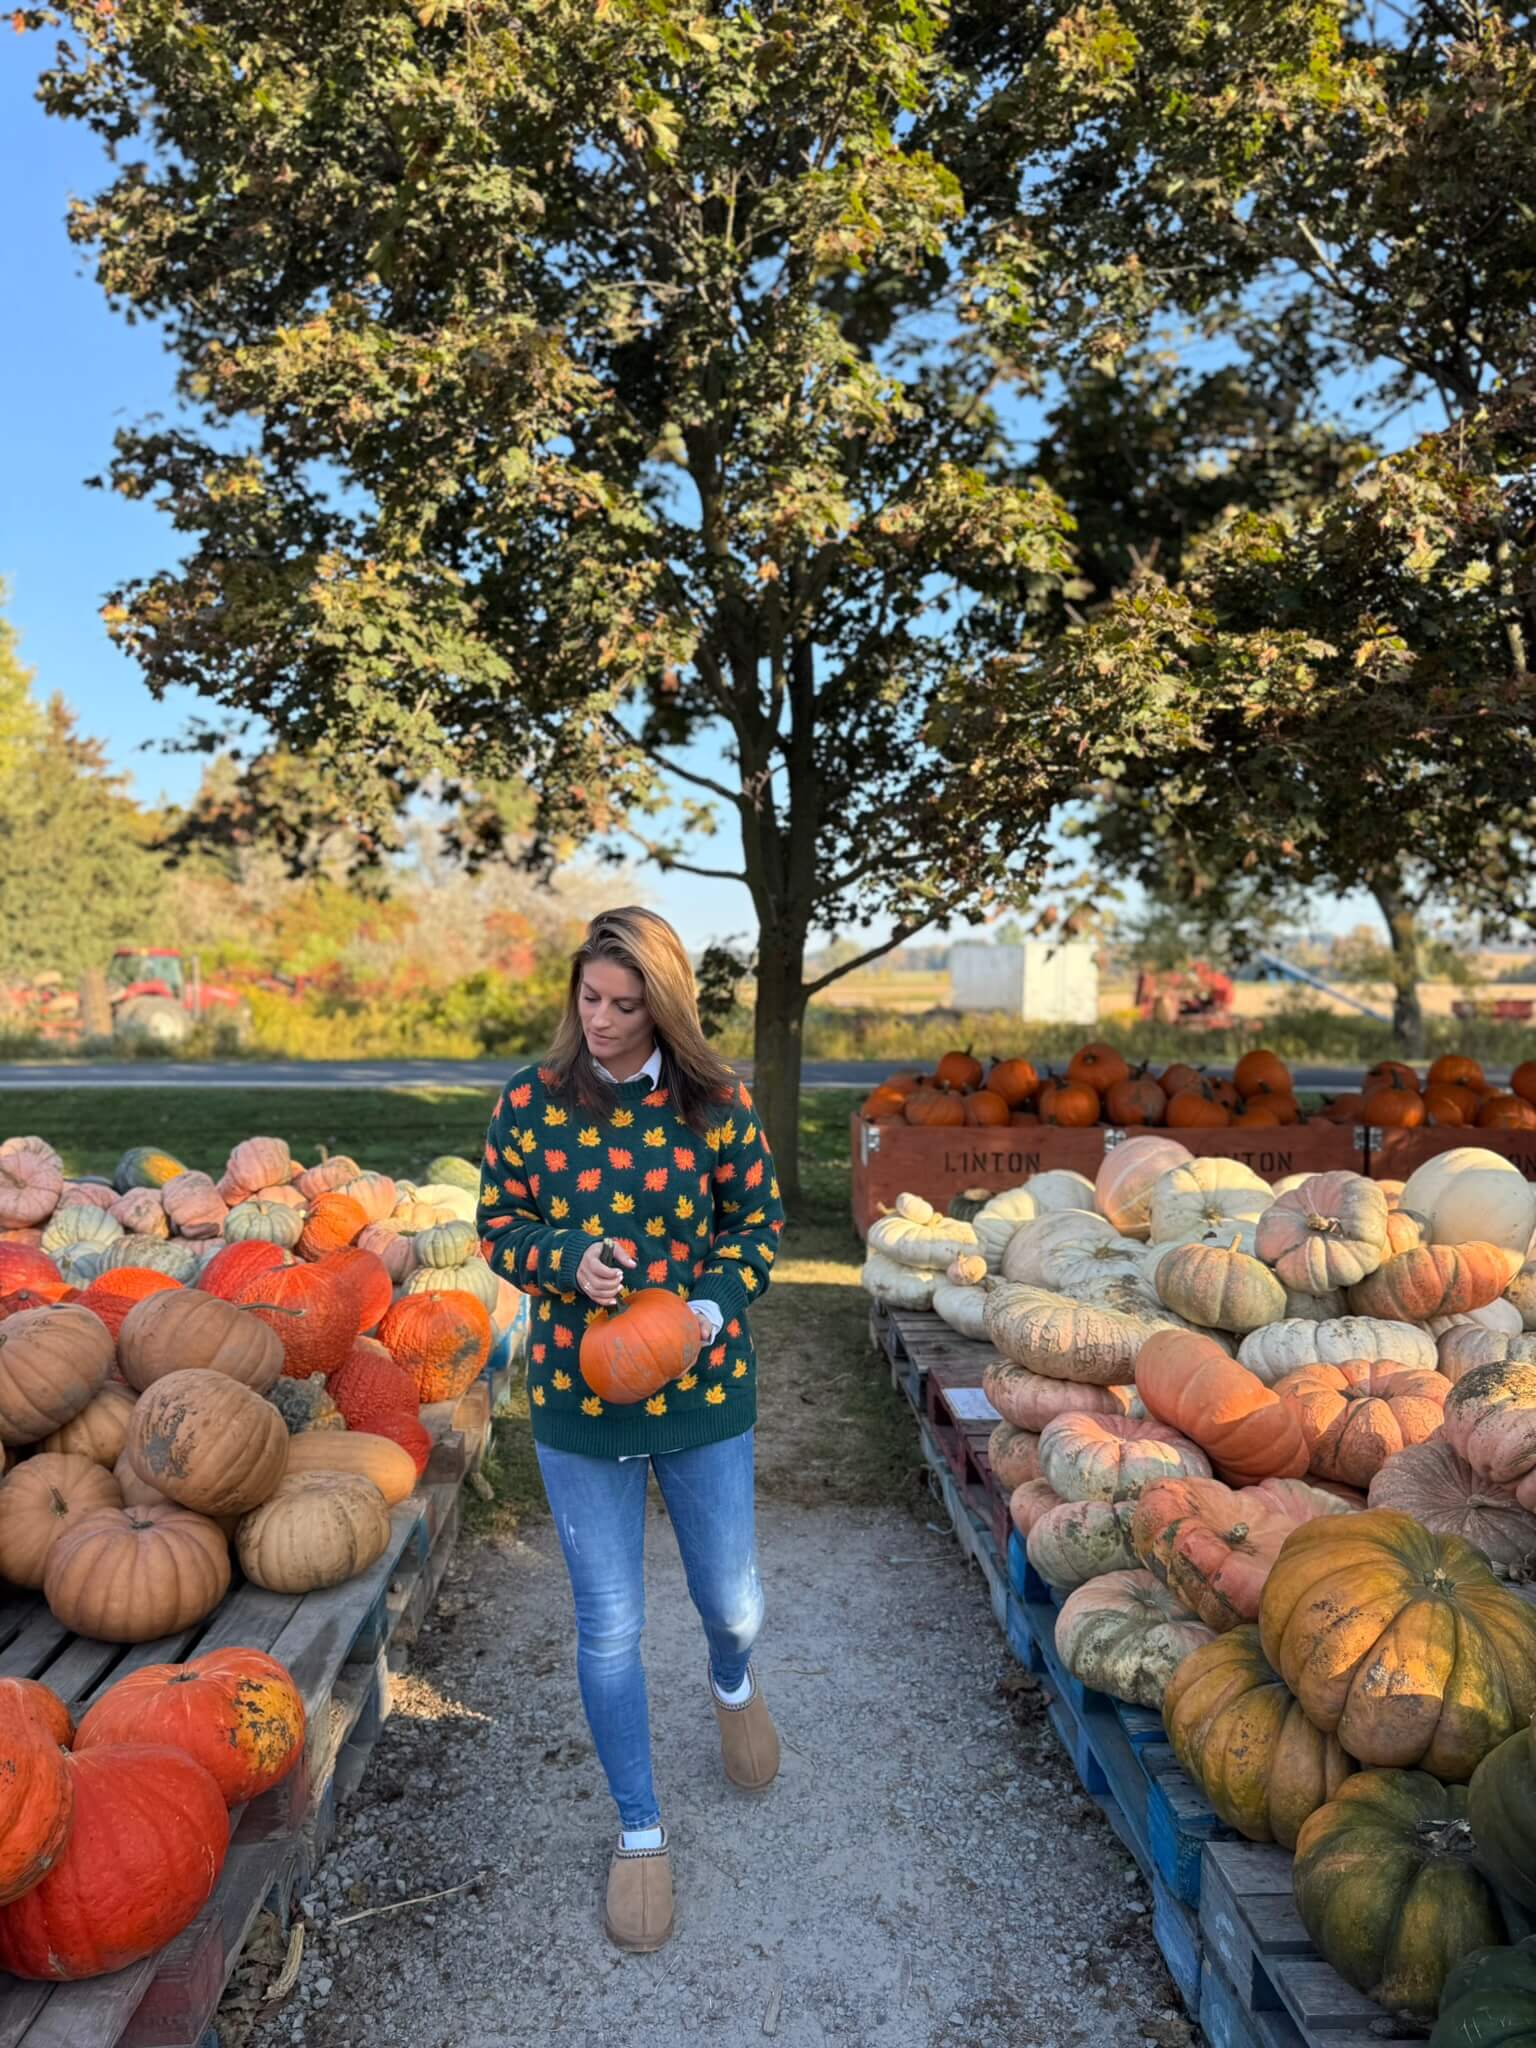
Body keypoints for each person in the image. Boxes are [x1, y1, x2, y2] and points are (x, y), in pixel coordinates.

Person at [475, 907, 786, 1952]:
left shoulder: (719, 1106)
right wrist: (568, 1257)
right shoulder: (528, 1104)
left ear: (664, 1005)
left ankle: (732, 1676)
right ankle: (640, 1827)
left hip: (701, 1388)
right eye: (588, 997)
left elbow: (759, 1228)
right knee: (608, 1623)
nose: (600, 1021)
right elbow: (498, 1225)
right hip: (578, 1394)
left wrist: (703, 1309)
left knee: (731, 1598)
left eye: (624, 1003)